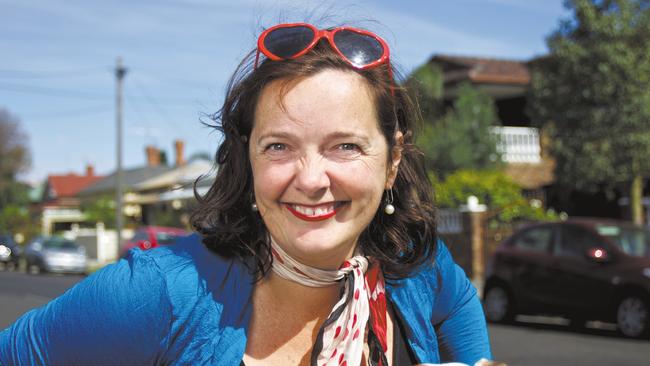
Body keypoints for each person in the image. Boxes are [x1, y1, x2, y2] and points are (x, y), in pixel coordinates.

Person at [0, 22, 493, 365]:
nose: (311, 178)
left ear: (393, 162)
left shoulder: (416, 266)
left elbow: (459, 305)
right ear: (248, 159)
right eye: (279, 145)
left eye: (345, 146)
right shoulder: (157, 293)